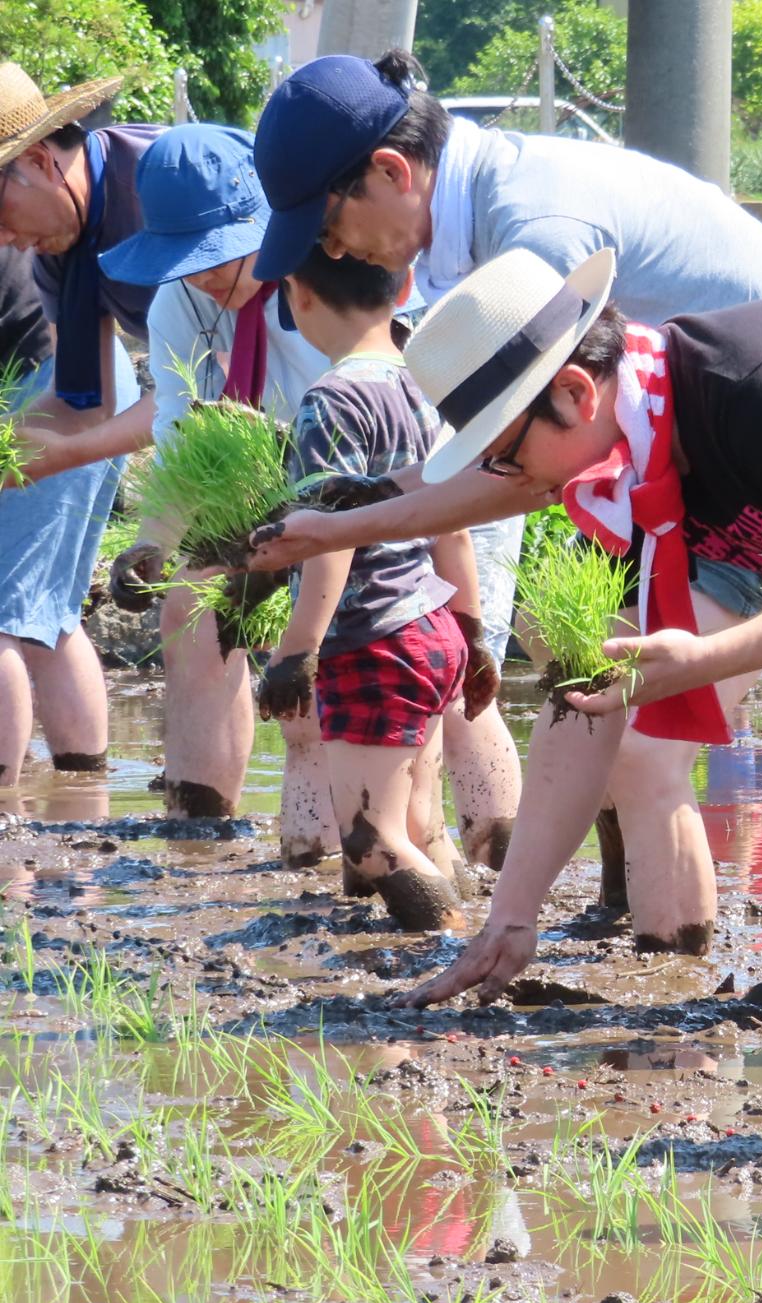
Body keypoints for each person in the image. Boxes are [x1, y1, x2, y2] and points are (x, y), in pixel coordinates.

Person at [284, 249, 762, 1012]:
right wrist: (511, 918)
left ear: (577, 392)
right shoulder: (628, 470)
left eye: (507, 456)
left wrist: (704, 660)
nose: (522, 486)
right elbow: (583, 707)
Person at [244, 48, 762, 949]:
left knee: (631, 730)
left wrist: (372, 540)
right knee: (595, 681)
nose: (332, 254)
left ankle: (661, 959)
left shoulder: (532, 236)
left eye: (327, 225)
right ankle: (620, 909)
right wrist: (364, 509)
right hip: (659, 462)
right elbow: (494, 458)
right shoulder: (469, 227)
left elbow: (510, 475)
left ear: (391, 172)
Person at [88, 123, 521, 857]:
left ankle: (490, 851)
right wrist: (153, 543)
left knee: (444, 669)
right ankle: (206, 831)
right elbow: (184, 445)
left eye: (218, 259)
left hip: (437, 487)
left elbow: (434, 442)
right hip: (300, 514)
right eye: (183, 262)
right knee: (195, 612)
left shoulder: (344, 279)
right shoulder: (178, 307)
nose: (202, 280)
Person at [257, 248, 476, 930]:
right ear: (404, 284)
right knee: (417, 820)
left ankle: (454, 950)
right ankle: (459, 949)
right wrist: (472, 633)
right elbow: (454, 521)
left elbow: (331, 535)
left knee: (371, 841)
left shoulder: (333, 399)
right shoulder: (422, 384)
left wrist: (296, 651)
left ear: (297, 293)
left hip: (375, 642)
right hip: (432, 629)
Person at [0, 65, 153, 784]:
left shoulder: (151, 188)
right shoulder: (62, 245)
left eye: (3, 217)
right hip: (72, 386)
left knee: (6, 613)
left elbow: (207, 383)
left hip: (52, 384)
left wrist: (35, 456)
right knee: (48, 615)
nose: (9, 242)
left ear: (37, 159)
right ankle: (83, 795)